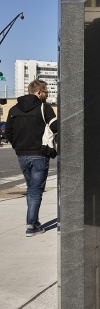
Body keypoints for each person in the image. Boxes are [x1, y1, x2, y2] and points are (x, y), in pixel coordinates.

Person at [6, 80, 58, 237]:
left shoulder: (14, 109)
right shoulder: (44, 108)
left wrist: (18, 146)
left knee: (31, 189)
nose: (47, 95)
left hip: (21, 154)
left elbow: (8, 132)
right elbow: (56, 127)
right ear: (38, 92)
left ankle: (34, 222)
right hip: (39, 154)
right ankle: (31, 226)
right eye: (46, 92)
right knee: (36, 190)